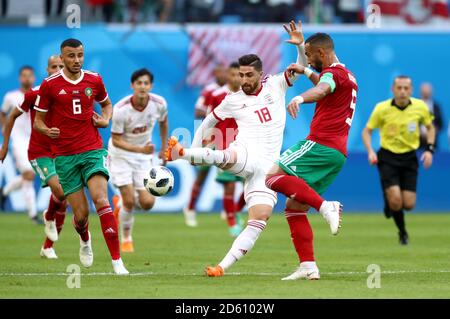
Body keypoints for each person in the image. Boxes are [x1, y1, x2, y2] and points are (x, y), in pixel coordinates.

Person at [166, 20, 339, 278]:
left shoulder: (276, 84)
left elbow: (299, 66)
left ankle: (221, 268)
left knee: (258, 221)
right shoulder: (232, 100)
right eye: (240, 75)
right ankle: (183, 153)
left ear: (260, 73)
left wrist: (301, 45)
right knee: (229, 156)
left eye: (249, 75)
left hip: (267, 169)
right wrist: (194, 144)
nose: (244, 80)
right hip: (245, 152)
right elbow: (210, 120)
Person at [266, 32, 358, 280]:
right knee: (294, 207)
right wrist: (305, 71)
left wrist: (299, 97)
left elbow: (322, 88)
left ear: (321, 53)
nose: (307, 59)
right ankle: (308, 266)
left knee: (272, 176)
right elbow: (326, 85)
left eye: (308, 55)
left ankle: (326, 206)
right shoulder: (346, 75)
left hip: (319, 144)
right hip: (337, 153)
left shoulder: (333, 75)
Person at [33, 38, 129, 275]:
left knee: (102, 200)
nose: (76, 60)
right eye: (71, 56)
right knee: (82, 215)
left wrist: (106, 119)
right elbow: (38, 122)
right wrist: (47, 130)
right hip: (64, 156)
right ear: (62, 57)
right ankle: (85, 239)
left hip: (92, 150)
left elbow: (107, 105)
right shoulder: (49, 85)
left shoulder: (94, 79)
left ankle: (117, 262)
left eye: (80, 55)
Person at [0, 55, 67, 259]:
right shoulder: (19, 95)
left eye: (60, 66)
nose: (57, 69)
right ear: (47, 70)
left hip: (58, 147)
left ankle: (49, 245)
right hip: (26, 141)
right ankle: (33, 214)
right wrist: (5, 142)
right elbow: (7, 115)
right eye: (54, 66)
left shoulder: (70, 92)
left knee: (63, 200)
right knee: (30, 176)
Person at [362, 75, 435, 245]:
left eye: (406, 88)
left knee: (408, 204)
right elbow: (366, 131)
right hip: (387, 157)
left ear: (411, 90)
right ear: (393, 90)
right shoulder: (382, 108)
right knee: (396, 201)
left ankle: (389, 202)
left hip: (410, 158)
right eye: (399, 88)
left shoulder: (420, 107)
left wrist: (429, 150)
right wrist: (371, 151)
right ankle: (402, 232)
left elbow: (431, 128)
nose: (402, 91)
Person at [109, 68, 168, 253]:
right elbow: (116, 140)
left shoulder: (159, 103)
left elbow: (163, 122)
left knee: (148, 203)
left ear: (151, 86)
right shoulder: (120, 109)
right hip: (120, 156)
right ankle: (126, 238)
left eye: (146, 83)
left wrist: (165, 148)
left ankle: (119, 205)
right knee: (129, 201)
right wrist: (139, 149)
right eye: (139, 83)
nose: (142, 86)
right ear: (132, 85)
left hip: (143, 157)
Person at [184, 64, 227, 227]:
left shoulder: (234, 91)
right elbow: (198, 111)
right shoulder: (210, 91)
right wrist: (214, 113)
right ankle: (190, 208)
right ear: (215, 73)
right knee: (202, 175)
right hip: (211, 137)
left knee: (231, 171)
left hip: (228, 137)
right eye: (221, 71)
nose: (224, 75)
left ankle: (229, 211)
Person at [206, 62, 245, 237]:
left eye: (239, 75)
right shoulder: (217, 95)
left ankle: (236, 210)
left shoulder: (249, 94)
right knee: (229, 186)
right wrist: (207, 140)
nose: (236, 78)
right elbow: (209, 119)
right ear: (227, 76)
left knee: (251, 184)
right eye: (233, 75)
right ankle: (231, 222)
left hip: (246, 144)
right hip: (223, 144)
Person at [0, 66, 41, 224]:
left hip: (36, 139)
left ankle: (5, 191)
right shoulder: (11, 97)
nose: (27, 78)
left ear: (34, 77)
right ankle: (33, 214)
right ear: (19, 78)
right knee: (29, 174)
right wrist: (6, 131)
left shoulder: (39, 94)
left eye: (29, 75)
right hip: (18, 140)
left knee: (29, 174)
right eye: (24, 76)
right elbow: (3, 113)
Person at [419, 82, 443, 149]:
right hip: (417, 141)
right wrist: (418, 132)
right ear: (420, 91)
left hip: (433, 141)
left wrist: (433, 131)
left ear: (431, 92)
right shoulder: (414, 106)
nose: (426, 92)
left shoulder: (436, 106)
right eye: (424, 90)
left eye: (428, 90)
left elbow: (441, 124)